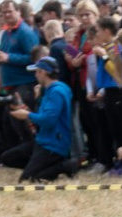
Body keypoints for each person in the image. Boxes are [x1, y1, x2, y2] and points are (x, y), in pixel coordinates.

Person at [11, 53, 77, 181]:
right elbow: (43, 115)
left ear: (44, 72)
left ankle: (63, 166)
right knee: (8, 157)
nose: (35, 75)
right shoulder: (49, 90)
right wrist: (36, 101)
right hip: (43, 140)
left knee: (27, 180)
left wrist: (27, 115)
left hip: (52, 144)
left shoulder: (56, 92)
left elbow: (48, 120)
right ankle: (42, 168)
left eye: (37, 71)